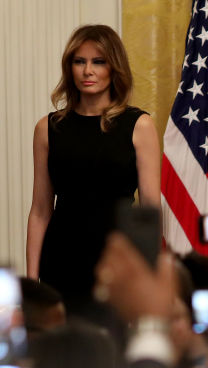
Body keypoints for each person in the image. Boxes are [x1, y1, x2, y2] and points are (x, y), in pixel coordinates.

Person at [26, 24, 160, 318]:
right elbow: (40, 210)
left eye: (98, 62)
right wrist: (31, 285)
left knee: (113, 358)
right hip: (60, 262)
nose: (88, 71)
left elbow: (150, 211)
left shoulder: (139, 125)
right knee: (59, 357)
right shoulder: (48, 129)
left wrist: (150, 276)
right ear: (69, 68)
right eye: (79, 61)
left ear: (114, 67)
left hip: (118, 265)